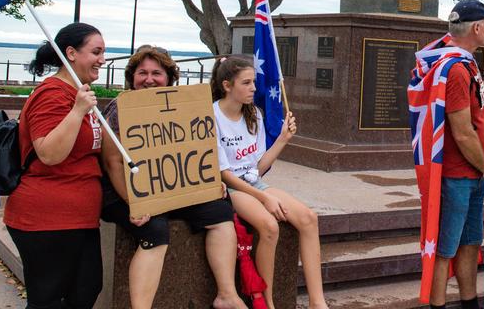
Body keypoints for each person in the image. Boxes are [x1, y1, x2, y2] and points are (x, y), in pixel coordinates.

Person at [100, 46, 245, 309]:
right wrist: (135, 204)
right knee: (154, 228)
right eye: (142, 72)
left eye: (157, 72)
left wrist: (208, 182)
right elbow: (112, 163)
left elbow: (195, 148)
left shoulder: (182, 106)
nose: (149, 78)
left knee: (221, 211)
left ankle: (226, 295)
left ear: (168, 78)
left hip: (171, 190)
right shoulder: (119, 107)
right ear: (132, 77)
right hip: (124, 192)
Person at [3, 23, 107, 309]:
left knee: (86, 289)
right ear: (71, 53)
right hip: (47, 218)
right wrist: (77, 111)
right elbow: (48, 153)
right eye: (96, 52)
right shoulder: (53, 94)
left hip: (79, 216)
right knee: (48, 299)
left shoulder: (79, 93)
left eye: (103, 52)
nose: (102, 59)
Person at [212, 56, 326, 309]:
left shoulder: (254, 115)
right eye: (247, 83)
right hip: (230, 188)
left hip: (253, 183)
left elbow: (258, 168)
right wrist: (264, 198)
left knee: (308, 219)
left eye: (254, 82)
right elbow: (224, 173)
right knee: (269, 226)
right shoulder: (212, 116)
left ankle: (318, 303)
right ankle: (267, 302)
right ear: (227, 85)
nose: (254, 88)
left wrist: (284, 139)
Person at [414, 0, 484, 309]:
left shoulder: (465, 62)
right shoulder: (455, 69)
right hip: (456, 176)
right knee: (445, 249)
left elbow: (476, 112)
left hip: (469, 173)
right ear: (477, 27)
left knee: (469, 244)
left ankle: (470, 304)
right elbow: (461, 131)